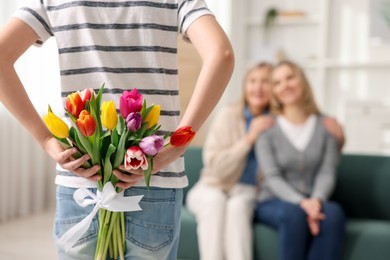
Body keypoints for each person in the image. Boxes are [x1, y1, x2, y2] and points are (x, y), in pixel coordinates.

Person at [0, 1, 234, 259]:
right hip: (154, 178)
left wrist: (46, 139)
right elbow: (221, 54)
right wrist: (176, 146)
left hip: (82, 176)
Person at [186, 62, 345, 260]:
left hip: (247, 191)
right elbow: (216, 168)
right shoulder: (231, 116)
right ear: (245, 86)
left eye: (265, 82)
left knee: (238, 207)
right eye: (253, 81)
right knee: (216, 202)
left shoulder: (272, 121)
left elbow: (321, 158)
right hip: (215, 186)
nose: (258, 88)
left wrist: (340, 140)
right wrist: (248, 139)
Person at [254, 60, 346, 260]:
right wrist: (302, 203)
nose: (285, 85)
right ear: (274, 91)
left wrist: (316, 201)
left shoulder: (326, 125)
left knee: (333, 214)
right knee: (294, 215)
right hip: (272, 200)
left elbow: (327, 171)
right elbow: (271, 176)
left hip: (315, 197)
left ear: (302, 81)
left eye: (290, 77)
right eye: (277, 82)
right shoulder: (266, 128)